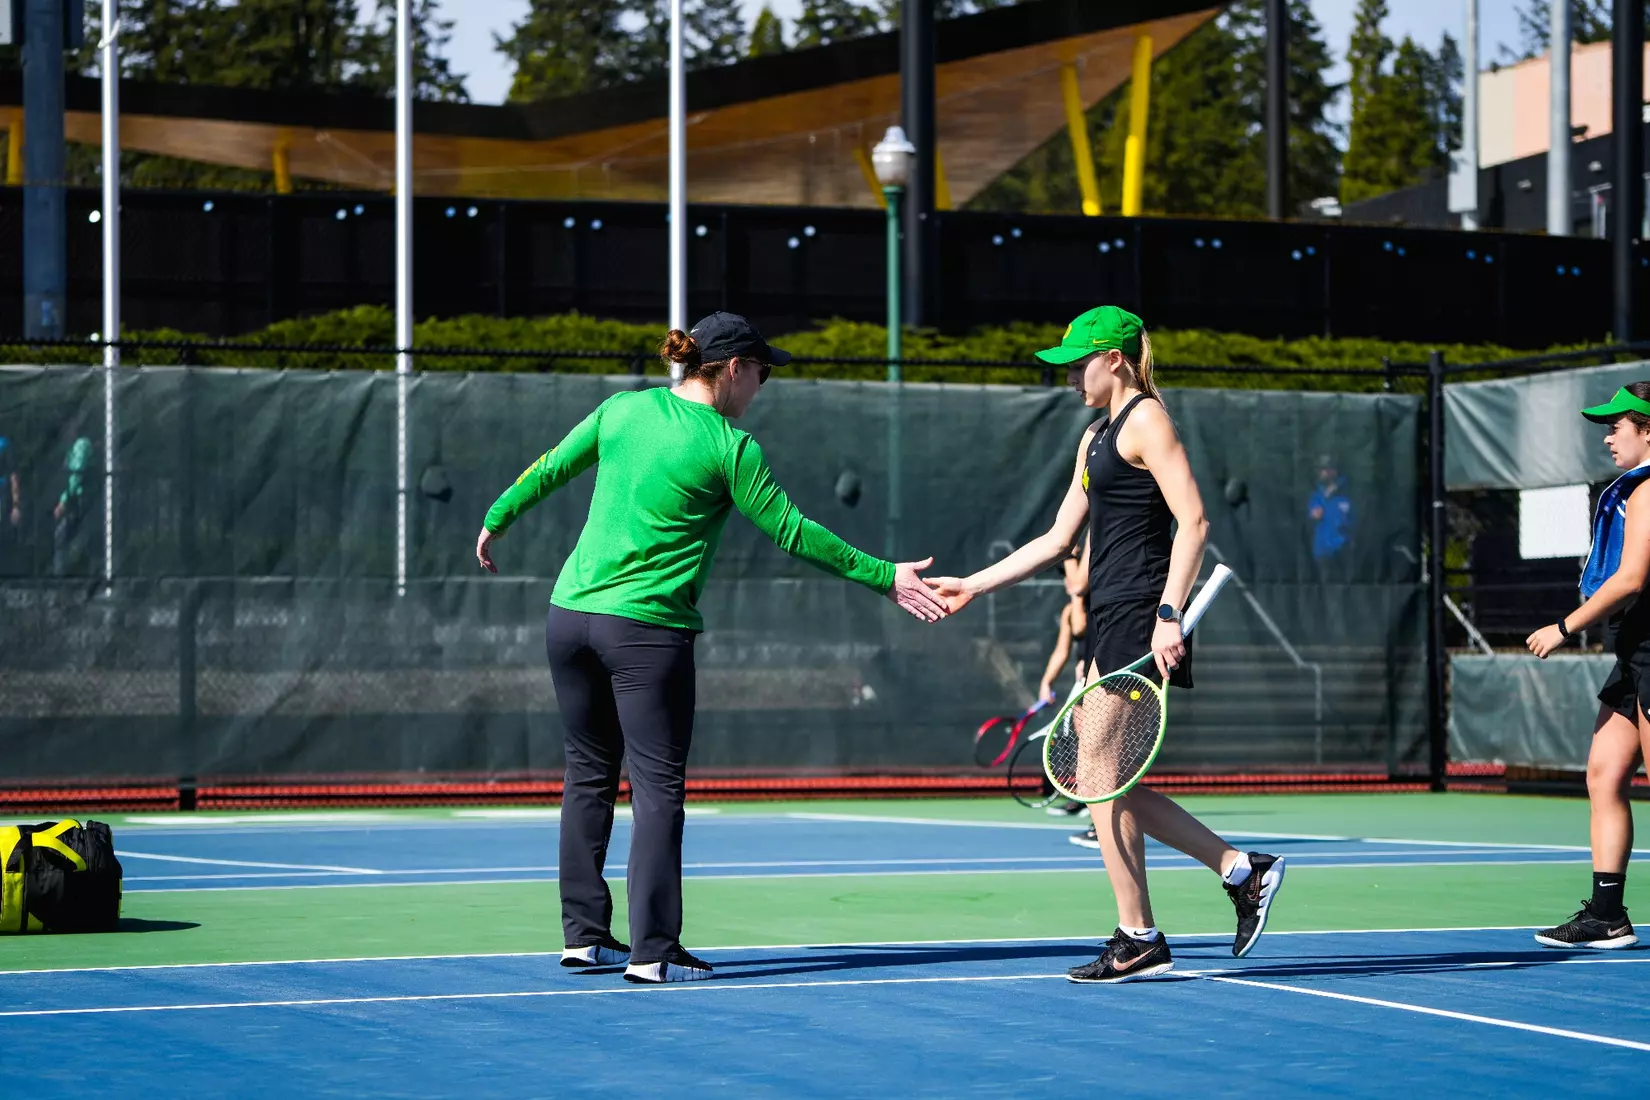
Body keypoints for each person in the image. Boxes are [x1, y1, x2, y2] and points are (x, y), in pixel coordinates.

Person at [475, 312, 949, 984]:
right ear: (731, 369)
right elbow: (793, 532)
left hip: (569, 618)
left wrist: (496, 520)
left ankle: (584, 936)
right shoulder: (731, 446)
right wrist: (885, 576)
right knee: (658, 789)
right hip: (644, 632)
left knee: (587, 774)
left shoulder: (622, 411)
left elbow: (550, 469)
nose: (763, 384)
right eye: (761, 371)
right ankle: (654, 950)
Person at [926, 305, 1286, 984]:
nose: (1069, 378)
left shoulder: (1148, 419)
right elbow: (1058, 538)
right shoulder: (1094, 436)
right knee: (1107, 783)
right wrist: (974, 583)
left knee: (1099, 779)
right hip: (1106, 618)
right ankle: (1240, 871)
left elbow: (1194, 519)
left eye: (1079, 363)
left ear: (1115, 358)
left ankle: (1139, 933)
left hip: (1143, 614)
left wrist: (1171, 613)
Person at [1525, 383, 1650, 950]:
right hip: (1634, 651)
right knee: (1604, 774)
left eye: (1617, 428)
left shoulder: (1649, 489)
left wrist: (1564, 626)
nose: (1607, 438)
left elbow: (1631, 579)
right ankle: (1606, 915)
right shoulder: (1632, 488)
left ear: (1648, 431)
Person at [1308, 456, 1353, 562]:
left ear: (1334, 471)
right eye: (1320, 470)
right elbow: (1313, 516)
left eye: (1324, 469)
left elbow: (1354, 520)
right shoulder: (1316, 495)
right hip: (1321, 551)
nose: (1321, 473)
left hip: (1342, 551)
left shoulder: (1347, 493)